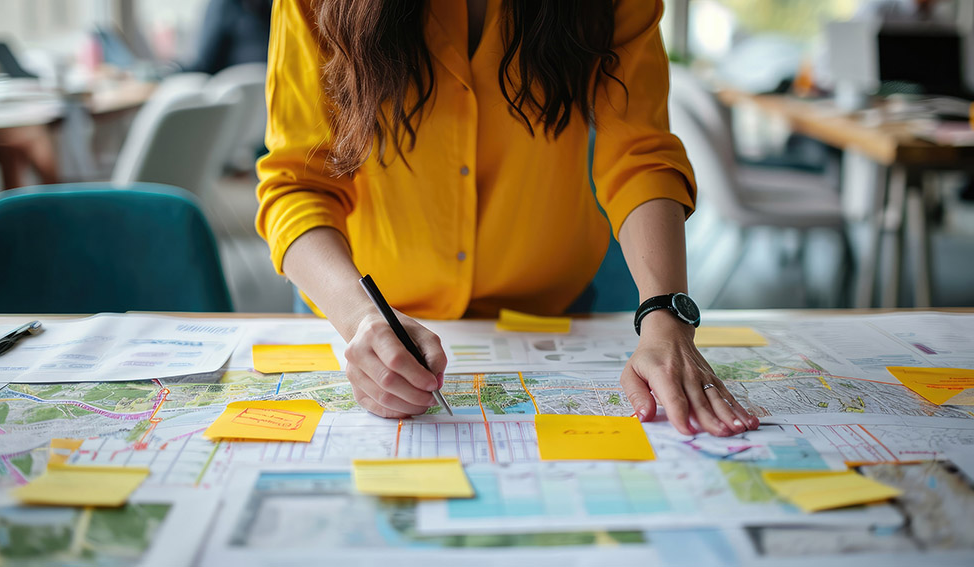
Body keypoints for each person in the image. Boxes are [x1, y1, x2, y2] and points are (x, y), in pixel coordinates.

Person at [256, 0, 761, 437]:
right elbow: (299, 183)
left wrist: (665, 316)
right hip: (364, 317)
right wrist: (360, 316)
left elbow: (639, 157)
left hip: (549, 313)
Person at [183, 0, 273, 74]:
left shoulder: (274, 9)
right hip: (237, 88)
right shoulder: (224, 6)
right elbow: (205, 63)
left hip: (265, 83)